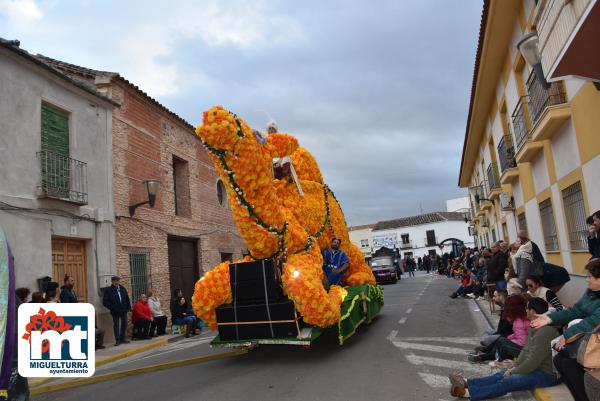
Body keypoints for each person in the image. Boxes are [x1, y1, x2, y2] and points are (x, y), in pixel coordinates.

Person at [450, 297, 560, 400]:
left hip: (547, 375)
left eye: (527, 308)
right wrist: (514, 367)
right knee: (501, 374)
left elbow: (533, 360)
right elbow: (525, 351)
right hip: (536, 369)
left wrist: (514, 371)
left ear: (533, 311)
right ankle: (467, 383)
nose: (525, 310)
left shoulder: (546, 331)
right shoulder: (535, 326)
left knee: (509, 381)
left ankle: (469, 393)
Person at [532, 258, 600, 401]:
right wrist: (551, 318)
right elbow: (575, 310)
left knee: (573, 366)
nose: (587, 280)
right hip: (591, 339)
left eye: (590, 277)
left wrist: (567, 335)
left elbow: (592, 322)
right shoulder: (591, 293)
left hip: (595, 341)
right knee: (560, 360)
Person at [469, 295, 529, 363]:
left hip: (523, 350)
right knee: (502, 341)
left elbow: (522, 342)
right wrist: (509, 338)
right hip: (523, 346)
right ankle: (485, 354)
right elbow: (518, 335)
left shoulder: (518, 322)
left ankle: (484, 356)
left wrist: (509, 341)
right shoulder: (520, 319)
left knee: (502, 342)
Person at [102, 276, 131, 346]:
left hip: (123, 310)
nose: (116, 282)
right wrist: (112, 307)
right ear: (112, 282)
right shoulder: (108, 290)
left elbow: (127, 298)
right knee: (116, 325)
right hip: (115, 311)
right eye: (115, 281)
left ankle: (122, 338)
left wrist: (128, 307)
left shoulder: (122, 288)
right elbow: (105, 302)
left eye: (117, 281)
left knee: (124, 324)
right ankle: (117, 340)